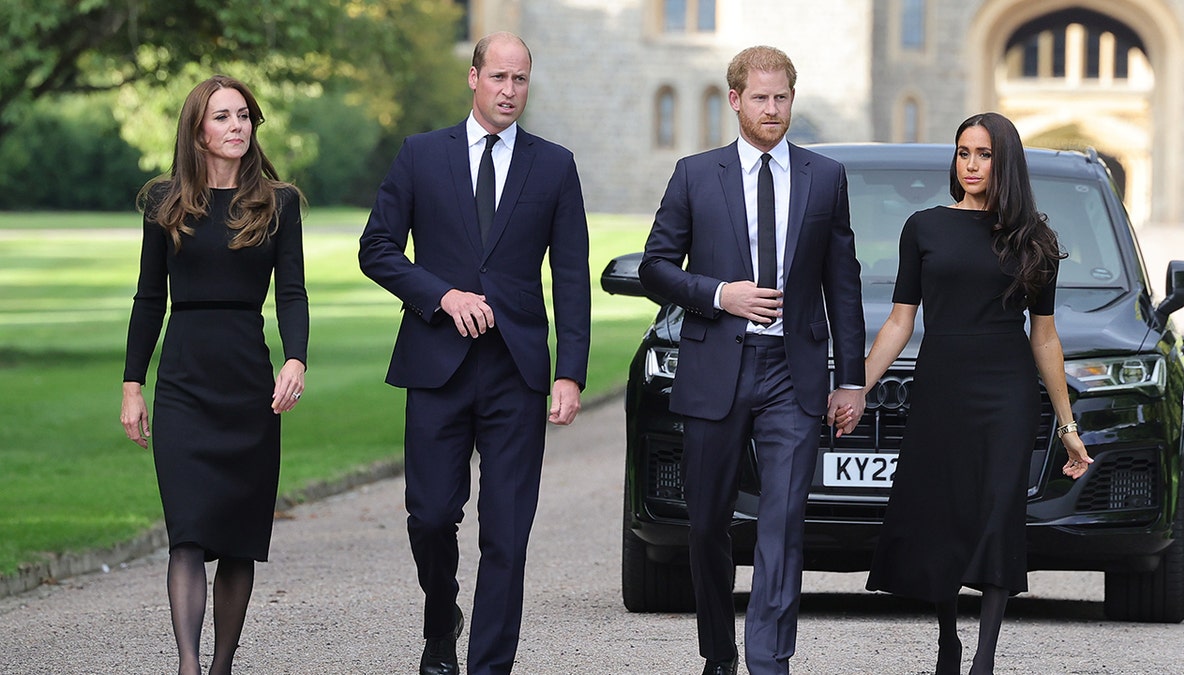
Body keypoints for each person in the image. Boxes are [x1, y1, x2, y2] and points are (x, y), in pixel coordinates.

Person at [358, 31, 590, 675]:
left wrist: (570, 372)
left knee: (506, 535)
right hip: (436, 365)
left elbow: (571, 277)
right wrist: (442, 297)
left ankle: (489, 666)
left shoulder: (555, 165)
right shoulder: (420, 156)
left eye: (520, 80)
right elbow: (376, 249)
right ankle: (441, 622)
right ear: (474, 77)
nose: (509, 91)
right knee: (431, 518)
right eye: (499, 78)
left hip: (516, 373)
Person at [639, 45, 866, 675]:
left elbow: (842, 285)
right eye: (760, 98)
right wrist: (719, 294)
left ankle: (770, 661)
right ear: (735, 100)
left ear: (794, 98)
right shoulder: (693, 174)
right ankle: (719, 654)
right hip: (716, 367)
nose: (772, 109)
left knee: (784, 523)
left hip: (791, 375)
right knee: (708, 523)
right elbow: (655, 266)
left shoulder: (825, 177)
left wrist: (851, 379)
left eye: (782, 97)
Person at [849, 112, 1093, 675]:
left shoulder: (1035, 239)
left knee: (997, 509)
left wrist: (1068, 427)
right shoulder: (925, 227)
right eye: (963, 153)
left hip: (1006, 389)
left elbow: (1046, 337)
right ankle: (947, 640)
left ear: (1004, 161)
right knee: (944, 510)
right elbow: (898, 323)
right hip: (942, 384)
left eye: (983, 154)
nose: (972, 165)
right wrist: (856, 387)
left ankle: (984, 655)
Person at [119, 75, 309, 675]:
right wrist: (132, 385)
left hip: (247, 382)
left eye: (244, 116)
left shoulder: (278, 203)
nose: (237, 126)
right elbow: (149, 299)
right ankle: (189, 666)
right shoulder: (164, 202)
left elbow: (293, 295)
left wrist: (296, 359)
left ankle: (221, 665)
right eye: (223, 117)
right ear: (197, 131)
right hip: (183, 381)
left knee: (238, 537)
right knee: (189, 533)